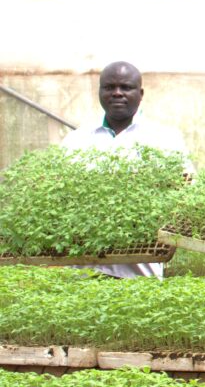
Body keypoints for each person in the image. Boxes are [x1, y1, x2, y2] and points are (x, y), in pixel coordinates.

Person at [61, 61, 193, 279]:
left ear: (140, 94)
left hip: (140, 271)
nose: (117, 93)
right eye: (109, 87)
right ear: (99, 92)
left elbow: (185, 192)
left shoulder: (164, 138)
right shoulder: (76, 139)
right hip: (82, 271)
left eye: (125, 87)